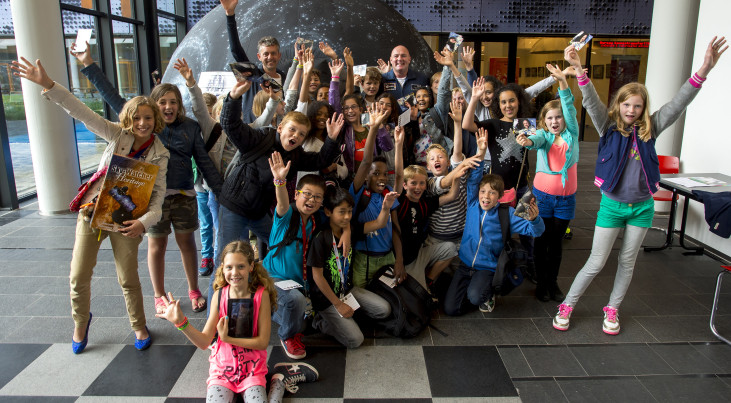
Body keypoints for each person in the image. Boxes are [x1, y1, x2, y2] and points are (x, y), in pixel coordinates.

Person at [552, 37, 727, 335]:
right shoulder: (607, 128)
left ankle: (612, 309)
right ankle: (568, 304)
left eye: (637, 105)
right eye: (626, 104)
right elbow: (592, 101)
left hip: (643, 207)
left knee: (627, 262)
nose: (631, 110)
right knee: (596, 261)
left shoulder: (651, 128)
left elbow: (678, 103)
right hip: (612, 206)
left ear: (644, 108)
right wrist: (579, 71)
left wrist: (704, 69)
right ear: (619, 105)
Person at [11, 57, 169, 353]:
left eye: (148, 118)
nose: (142, 124)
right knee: (78, 275)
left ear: (156, 120)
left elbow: (158, 200)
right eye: (137, 118)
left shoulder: (160, 153)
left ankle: (138, 324)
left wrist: (143, 223)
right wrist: (47, 84)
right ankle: (81, 321)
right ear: (128, 119)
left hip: (126, 222)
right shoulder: (116, 134)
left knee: (128, 278)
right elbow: (81, 112)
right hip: (93, 212)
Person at [69, 43, 223, 315]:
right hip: (153, 199)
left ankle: (193, 289)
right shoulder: (147, 126)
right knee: (157, 244)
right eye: (162, 102)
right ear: (154, 106)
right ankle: (159, 295)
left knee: (187, 243)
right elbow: (113, 98)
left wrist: (222, 192)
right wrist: (89, 64)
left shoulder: (190, 128)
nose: (168, 106)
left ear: (179, 105)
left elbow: (203, 162)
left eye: (173, 102)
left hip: (185, 195)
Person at [156, 241, 318, 402]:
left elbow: (262, 343)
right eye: (229, 267)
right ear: (222, 268)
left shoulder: (260, 296)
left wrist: (228, 339)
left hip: (252, 371)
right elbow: (204, 341)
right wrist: (181, 323)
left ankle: (278, 381)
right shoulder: (219, 296)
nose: (235, 272)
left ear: (251, 267)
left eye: (241, 266)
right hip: (222, 371)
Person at [443, 129, 544, 316]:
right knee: (451, 309)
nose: (486, 197)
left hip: (487, 267)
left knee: (475, 297)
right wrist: (481, 153)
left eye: (492, 193)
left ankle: (487, 293)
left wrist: (535, 219)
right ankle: (474, 290)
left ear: (499, 197)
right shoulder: (473, 204)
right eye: (483, 192)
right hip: (465, 264)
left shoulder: (508, 214)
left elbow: (536, 231)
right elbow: (474, 180)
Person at [516, 64, 579, 302]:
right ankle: (542, 284)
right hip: (542, 197)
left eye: (558, 117)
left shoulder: (571, 134)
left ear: (565, 119)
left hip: (565, 200)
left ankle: (553, 283)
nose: (554, 121)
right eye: (550, 118)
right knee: (541, 241)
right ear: (544, 121)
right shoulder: (543, 135)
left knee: (556, 243)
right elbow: (535, 140)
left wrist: (563, 82)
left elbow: (570, 107)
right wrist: (527, 140)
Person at [307, 187, 396, 348]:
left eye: (349, 211)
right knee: (355, 340)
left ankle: (344, 319)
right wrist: (338, 304)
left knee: (384, 310)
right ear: (328, 212)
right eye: (342, 212)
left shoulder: (350, 229)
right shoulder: (321, 238)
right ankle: (320, 322)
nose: (347, 216)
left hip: (347, 291)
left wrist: (386, 207)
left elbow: (380, 223)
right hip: (326, 300)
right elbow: (317, 276)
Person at [265, 153, 328, 359]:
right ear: (296, 195)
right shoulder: (286, 216)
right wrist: (280, 181)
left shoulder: (314, 222)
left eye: (317, 197)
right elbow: (281, 202)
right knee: (295, 301)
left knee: (304, 319)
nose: (311, 200)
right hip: (272, 278)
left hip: (296, 281)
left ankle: (267, 309)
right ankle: (287, 336)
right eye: (307, 194)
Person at [349, 106, 405, 287]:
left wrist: (399, 260)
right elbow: (365, 162)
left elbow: (396, 229)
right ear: (366, 176)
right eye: (375, 174)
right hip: (363, 259)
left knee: (389, 299)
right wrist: (373, 128)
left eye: (383, 174)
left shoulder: (388, 192)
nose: (381, 178)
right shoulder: (359, 192)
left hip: (388, 257)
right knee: (363, 300)